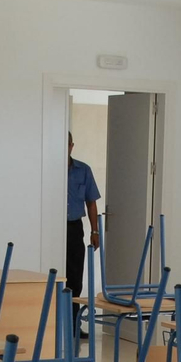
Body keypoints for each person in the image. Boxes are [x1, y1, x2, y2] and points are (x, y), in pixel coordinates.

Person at [66, 131, 101, 342]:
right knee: (53, 280)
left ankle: (73, 326)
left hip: (73, 228)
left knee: (75, 279)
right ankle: (52, 326)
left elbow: (91, 202)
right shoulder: (47, 168)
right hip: (51, 228)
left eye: (67, 144)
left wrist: (94, 231)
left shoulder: (83, 170)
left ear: (72, 146)